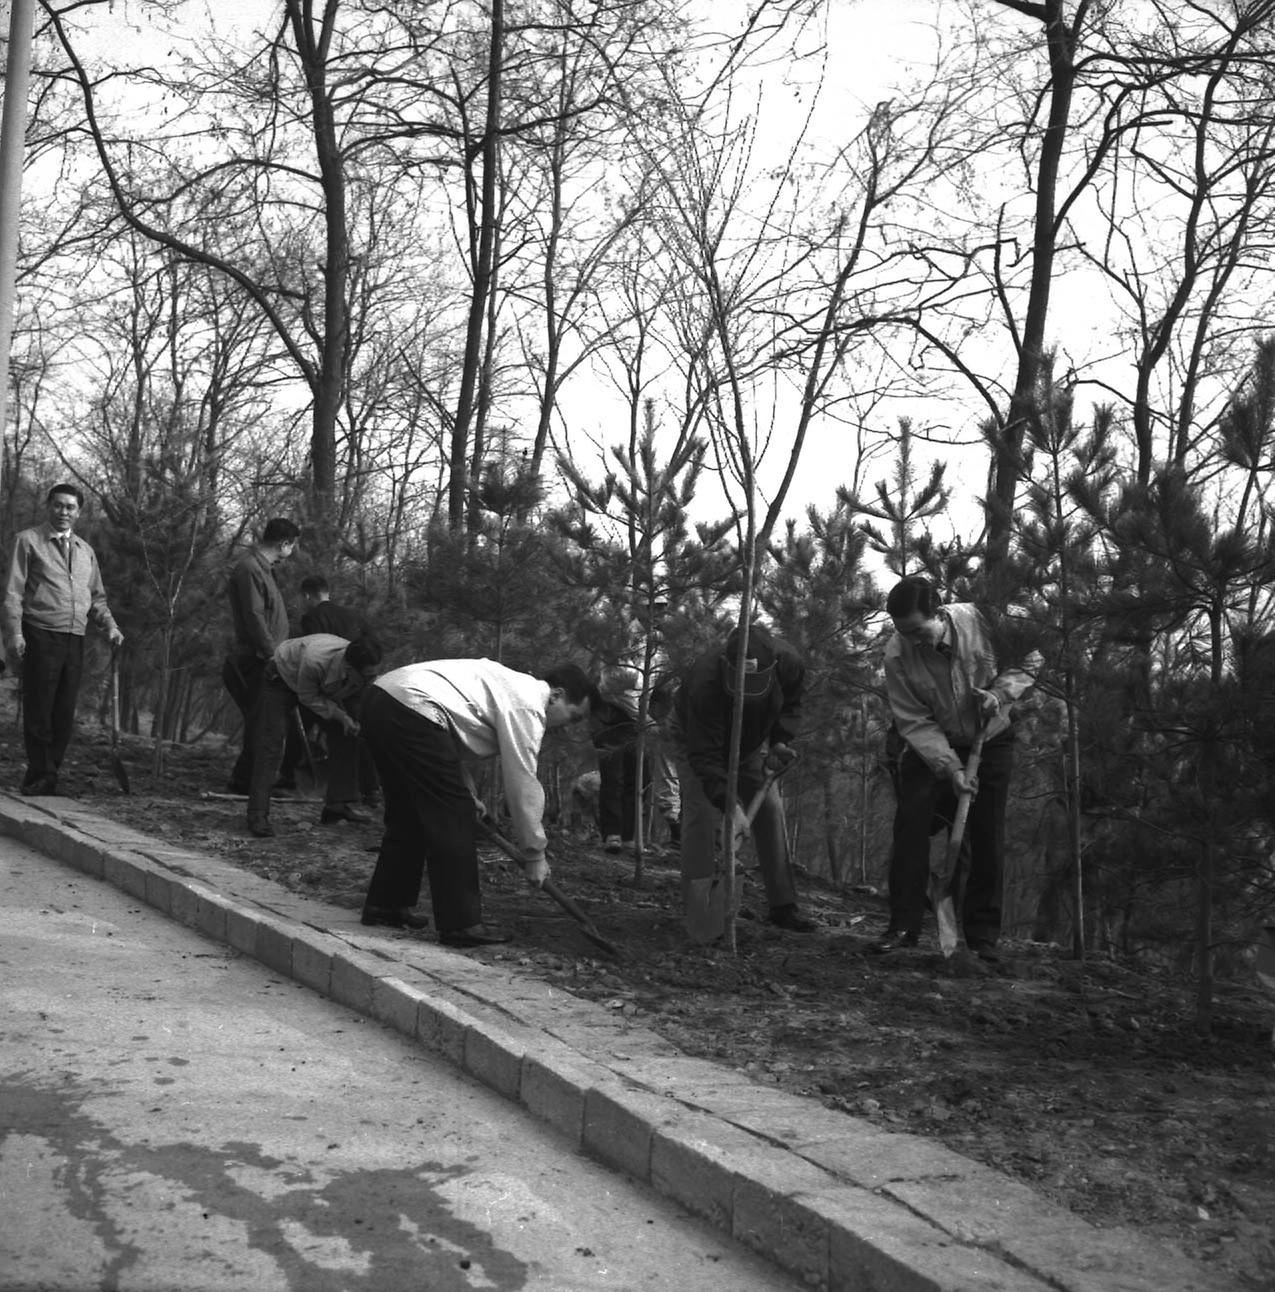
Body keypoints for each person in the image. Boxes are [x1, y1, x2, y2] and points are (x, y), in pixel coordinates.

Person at [359, 659, 598, 946]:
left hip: (381, 697)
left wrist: (466, 792)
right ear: (557, 695)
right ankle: (461, 924)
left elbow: (446, 739)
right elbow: (522, 781)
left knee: (408, 813)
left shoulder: (510, 687)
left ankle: (385, 905)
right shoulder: (528, 705)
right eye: (573, 717)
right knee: (454, 818)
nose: (567, 728)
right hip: (412, 705)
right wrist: (535, 854)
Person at [872, 576, 1040, 962]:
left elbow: (1032, 652)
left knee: (986, 834)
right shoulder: (897, 653)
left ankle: (982, 938)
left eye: (918, 630)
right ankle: (903, 926)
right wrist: (951, 769)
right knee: (911, 825)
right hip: (933, 743)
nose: (913, 640)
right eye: (903, 632)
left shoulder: (984, 621)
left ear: (940, 613)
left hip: (991, 741)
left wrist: (1000, 693)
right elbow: (913, 720)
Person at [672, 623, 815, 940]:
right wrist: (729, 806)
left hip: (751, 744)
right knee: (701, 815)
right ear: (727, 665)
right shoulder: (704, 682)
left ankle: (783, 906)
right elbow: (705, 757)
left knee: (770, 809)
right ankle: (702, 912)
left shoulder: (789, 664)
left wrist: (779, 740)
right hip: (697, 741)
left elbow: (792, 705)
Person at [2, 483, 125, 795]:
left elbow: (97, 598)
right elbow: (13, 593)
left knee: (63, 712)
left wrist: (110, 625)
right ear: (48, 506)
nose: (64, 512)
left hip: (74, 637)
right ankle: (44, 774)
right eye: (58, 505)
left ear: (79, 513)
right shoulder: (28, 541)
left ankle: (44, 774)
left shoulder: (86, 552)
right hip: (40, 633)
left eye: (70, 507)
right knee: (39, 710)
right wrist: (15, 632)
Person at [246, 633, 383, 838]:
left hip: (317, 687)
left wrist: (353, 721)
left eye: (375, 675)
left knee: (346, 734)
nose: (371, 680)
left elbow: (357, 702)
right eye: (368, 677)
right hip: (282, 678)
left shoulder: (359, 670)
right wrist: (340, 715)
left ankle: (337, 805)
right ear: (349, 669)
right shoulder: (315, 661)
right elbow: (308, 697)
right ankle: (257, 813)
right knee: (272, 743)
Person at [222, 518, 301, 794]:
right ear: (285, 544)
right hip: (254, 659)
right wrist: (271, 655)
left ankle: (248, 781)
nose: (292, 551)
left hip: (266, 658)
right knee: (262, 723)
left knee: (264, 723)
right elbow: (254, 616)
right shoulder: (250, 568)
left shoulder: (265, 569)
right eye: (293, 546)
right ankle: (246, 783)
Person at [299, 573, 380, 806]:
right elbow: (372, 644)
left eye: (303, 598)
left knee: (306, 719)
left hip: (330, 678)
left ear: (307, 595)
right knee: (357, 731)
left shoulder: (312, 617)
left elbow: (311, 647)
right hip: (356, 683)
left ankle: (290, 776)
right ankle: (370, 788)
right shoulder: (353, 616)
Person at [592, 668, 680, 854]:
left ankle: (630, 836)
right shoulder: (623, 654)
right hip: (612, 722)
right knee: (613, 778)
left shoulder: (658, 650)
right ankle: (612, 834)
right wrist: (651, 725)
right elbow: (623, 697)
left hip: (639, 727)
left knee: (640, 780)